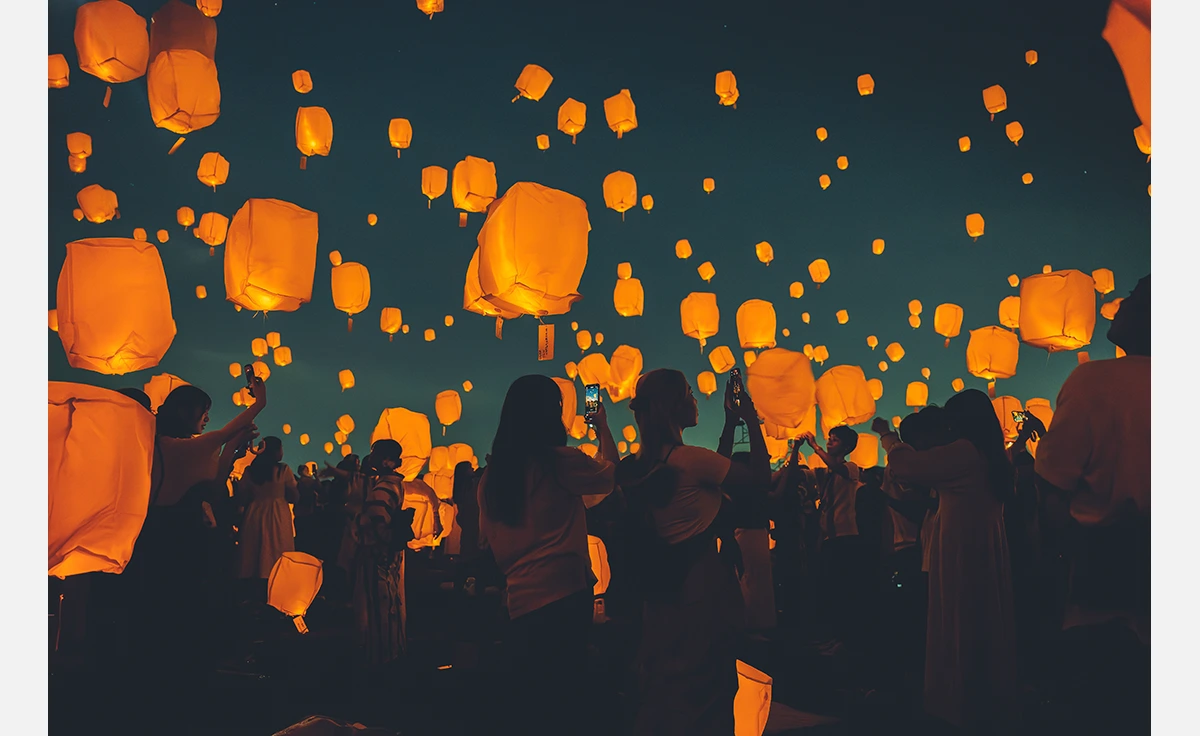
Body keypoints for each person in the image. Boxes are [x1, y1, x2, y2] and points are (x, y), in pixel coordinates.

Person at [617, 371, 768, 736]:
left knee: (672, 687)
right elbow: (760, 481)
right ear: (674, 406)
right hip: (703, 588)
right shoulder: (689, 459)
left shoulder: (641, 465)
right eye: (689, 393)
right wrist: (749, 418)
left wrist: (730, 427)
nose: (696, 400)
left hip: (663, 591)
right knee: (709, 689)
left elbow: (709, 473)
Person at [1032, 275, 1150, 731]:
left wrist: (1063, 553)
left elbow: (1053, 488)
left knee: (1102, 701)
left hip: (1103, 570)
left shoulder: (1093, 381)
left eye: (1134, 301)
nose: (1118, 306)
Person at [477, 375, 618, 736]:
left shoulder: (492, 478)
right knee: (565, 694)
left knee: (532, 695)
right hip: (565, 594)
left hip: (521, 599)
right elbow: (609, 476)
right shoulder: (560, 463)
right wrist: (602, 427)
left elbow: (490, 540)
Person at [872, 388, 1017, 734]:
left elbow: (907, 466)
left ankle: (958, 703)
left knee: (958, 622)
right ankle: (983, 700)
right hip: (980, 547)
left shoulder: (966, 453)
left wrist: (888, 437)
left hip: (961, 551)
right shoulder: (989, 456)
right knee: (980, 623)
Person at [127, 378, 264, 706]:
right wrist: (259, 401)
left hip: (162, 531)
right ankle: (177, 684)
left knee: (172, 605)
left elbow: (215, 486)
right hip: (177, 534)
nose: (207, 419)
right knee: (181, 603)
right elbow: (224, 435)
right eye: (204, 411)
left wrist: (231, 450)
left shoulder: (165, 446)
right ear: (186, 411)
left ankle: (170, 676)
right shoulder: (176, 447)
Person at [351, 440, 439, 670]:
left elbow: (378, 525)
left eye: (376, 454)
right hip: (391, 554)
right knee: (391, 600)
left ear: (386, 460)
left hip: (377, 554)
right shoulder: (394, 485)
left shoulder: (382, 489)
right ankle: (393, 649)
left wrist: (360, 521)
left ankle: (382, 656)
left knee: (379, 603)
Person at [802, 425, 867, 654]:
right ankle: (834, 637)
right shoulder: (829, 474)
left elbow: (837, 467)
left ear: (847, 447)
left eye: (835, 440)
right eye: (829, 438)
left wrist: (815, 447)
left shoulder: (850, 467)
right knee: (830, 588)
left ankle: (845, 640)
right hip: (831, 536)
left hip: (846, 536)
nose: (830, 442)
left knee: (843, 589)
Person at [236, 437, 298, 588]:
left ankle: (251, 597)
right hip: (278, 516)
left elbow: (242, 497)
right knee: (276, 551)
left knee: (254, 553)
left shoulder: (250, 471)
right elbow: (294, 497)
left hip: (254, 515)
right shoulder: (283, 470)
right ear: (276, 451)